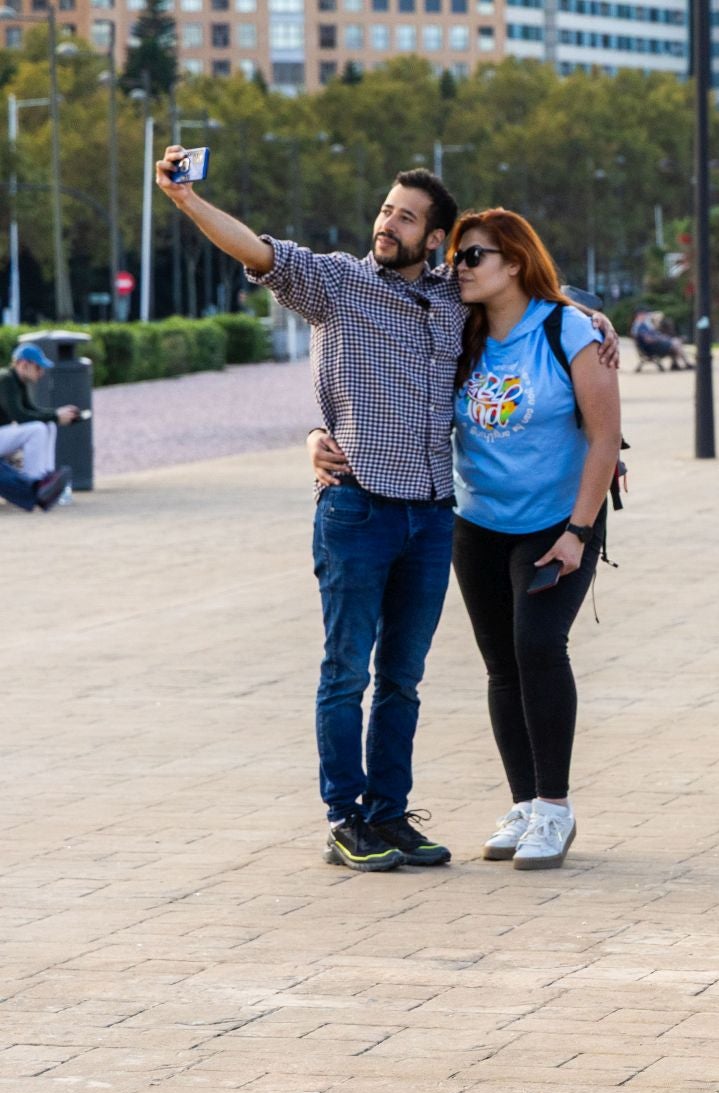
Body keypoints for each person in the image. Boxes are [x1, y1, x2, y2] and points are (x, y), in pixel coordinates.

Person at [154, 144, 616, 874]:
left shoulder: (448, 299)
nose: (388, 223)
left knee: (405, 677)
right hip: (362, 512)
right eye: (384, 211)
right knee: (347, 672)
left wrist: (586, 315)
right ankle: (347, 818)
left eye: (407, 217)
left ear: (435, 239)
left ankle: (392, 815)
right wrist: (186, 201)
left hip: (435, 518)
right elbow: (259, 250)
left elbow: (530, 305)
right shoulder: (335, 283)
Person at [444, 210, 621, 871]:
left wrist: (579, 531)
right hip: (480, 520)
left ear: (513, 263)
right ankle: (522, 804)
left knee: (538, 645)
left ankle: (554, 806)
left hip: (559, 518)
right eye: (455, 257)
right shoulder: (456, 331)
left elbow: (604, 437)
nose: (458, 267)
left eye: (473, 256)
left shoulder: (567, 328)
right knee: (501, 663)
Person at [0, 343, 77, 511]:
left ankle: (47, 479)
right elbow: (19, 416)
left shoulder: (18, 381)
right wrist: (57, 415)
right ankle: (35, 483)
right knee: (37, 429)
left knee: (48, 424)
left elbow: (32, 410)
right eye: (37, 367)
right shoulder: (6, 378)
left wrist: (57, 414)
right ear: (23, 364)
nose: (41, 372)